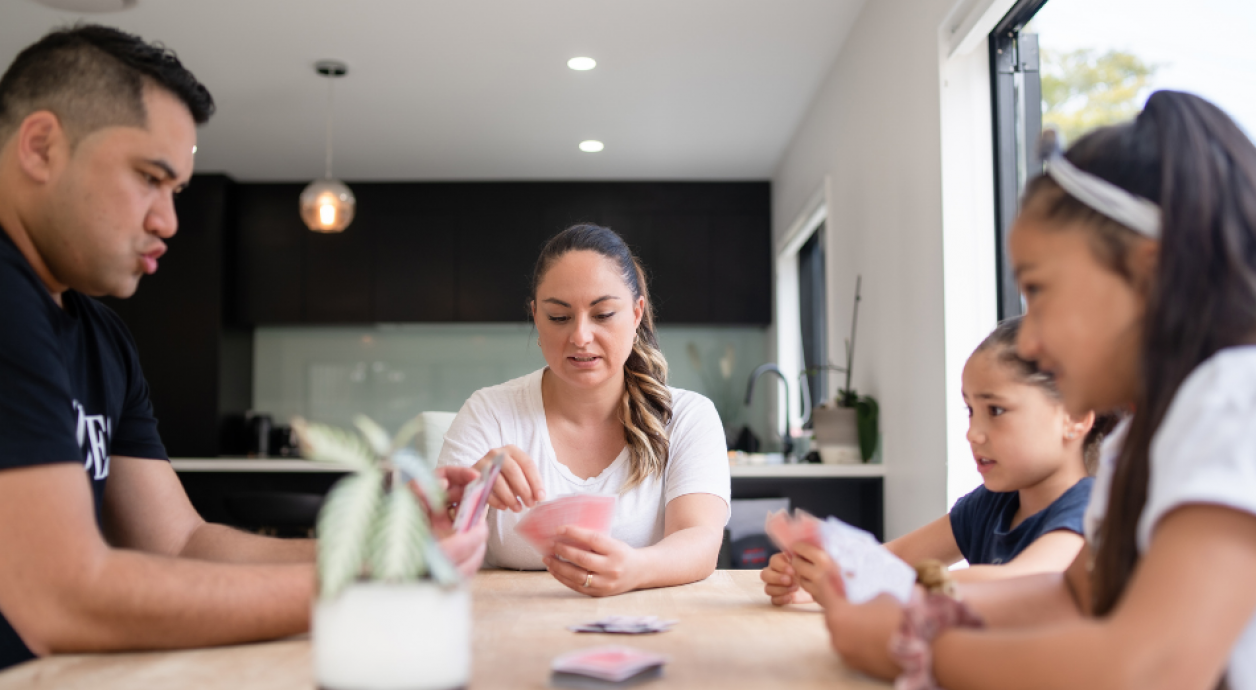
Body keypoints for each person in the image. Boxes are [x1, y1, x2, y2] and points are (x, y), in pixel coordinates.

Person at [0, 25, 486, 672]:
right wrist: (369, 586)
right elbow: (64, 597)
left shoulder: (101, 336)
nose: (168, 223)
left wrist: (384, 549)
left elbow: (180, 542)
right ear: (41, 147)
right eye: (150, 177)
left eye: (176, 193)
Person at [791, 91, 1256, 690]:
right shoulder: (1138, 443)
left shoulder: (1232, 397)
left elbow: (1154, 666)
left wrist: (912, 649)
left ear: (1149, 273)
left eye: (1039, 291)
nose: (1030, 341)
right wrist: (918, 617)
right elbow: (1071, 598)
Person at [437, 224, 731, 596]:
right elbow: (437, 551)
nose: (580, 336)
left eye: (603, 314)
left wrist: (636, 569)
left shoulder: (689, 417)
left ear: (637, 313)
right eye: (559, 318)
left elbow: (701, 539)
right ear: (536, 318)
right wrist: (468, 503)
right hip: (508, 625)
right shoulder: (488, 412)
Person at [761, 317, 1112, 607]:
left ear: (1075, 417)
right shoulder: (990, 504)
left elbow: (1016, 583)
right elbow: (897, 558)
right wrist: (813, 577)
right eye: (971, 411)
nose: (973, 434)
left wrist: (864, 581)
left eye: (997, 410)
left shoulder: (1090, 511)